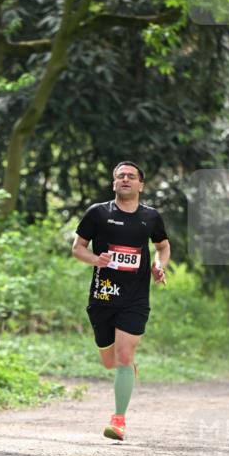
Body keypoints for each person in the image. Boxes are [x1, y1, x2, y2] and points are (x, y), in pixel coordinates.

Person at [72, 161, 170, 440]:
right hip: (102, 295)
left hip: (135, 298)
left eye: (131, 176)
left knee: (124, 356)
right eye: (120, 176)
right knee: (109, 362)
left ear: (141, 184)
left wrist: (160, 265)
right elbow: (77, 248)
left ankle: (118, 420)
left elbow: (162, 246)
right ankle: (126, 370)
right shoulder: (98, 213)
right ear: (114, 183)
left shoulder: (150, 217)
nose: (125, 179)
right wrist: (95, 259)